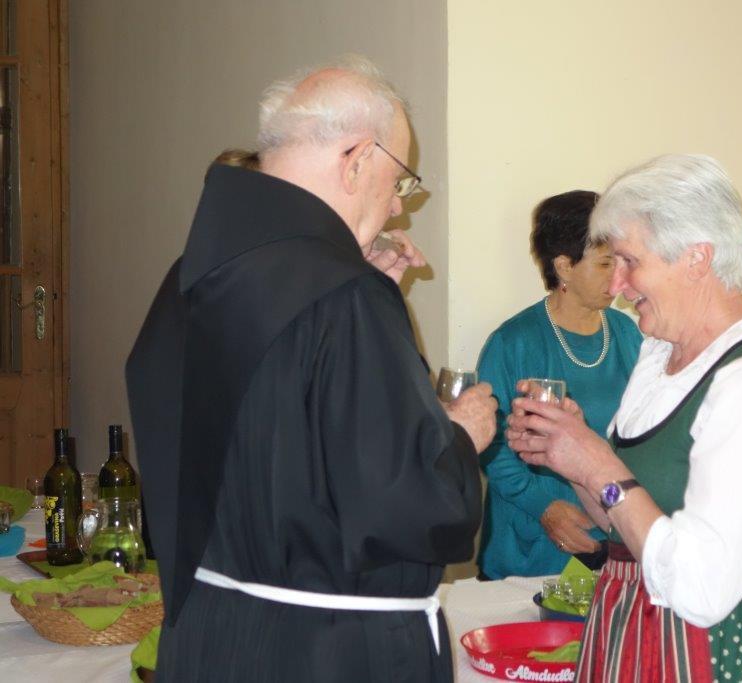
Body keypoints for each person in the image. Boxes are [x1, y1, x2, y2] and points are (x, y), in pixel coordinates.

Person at [125, 55, 496, 682]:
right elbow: (403, 508)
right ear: (357, 160)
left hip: (210, 634)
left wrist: (362, 304)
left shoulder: (192, 275)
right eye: (399, 182)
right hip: (327, 652)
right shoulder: (344, 297)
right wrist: (459, 435)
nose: (397, 208)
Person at [506, 154, 742, 682]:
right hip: (650, 630)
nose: (617, 286)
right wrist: (570, 456)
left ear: (696, 259)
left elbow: (701, 586)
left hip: (737, 645)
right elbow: (622, 521)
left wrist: (597, 463)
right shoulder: (657, 355)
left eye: (629, 261)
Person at [476, 190, 642, 580]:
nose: (619, 278)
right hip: (530, 551)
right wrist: (544, 507)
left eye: (623, 262)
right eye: (605, 263)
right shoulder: (513, 342)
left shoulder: (629, 334)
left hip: (615, 545)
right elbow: (491, 445)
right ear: (564, 266)